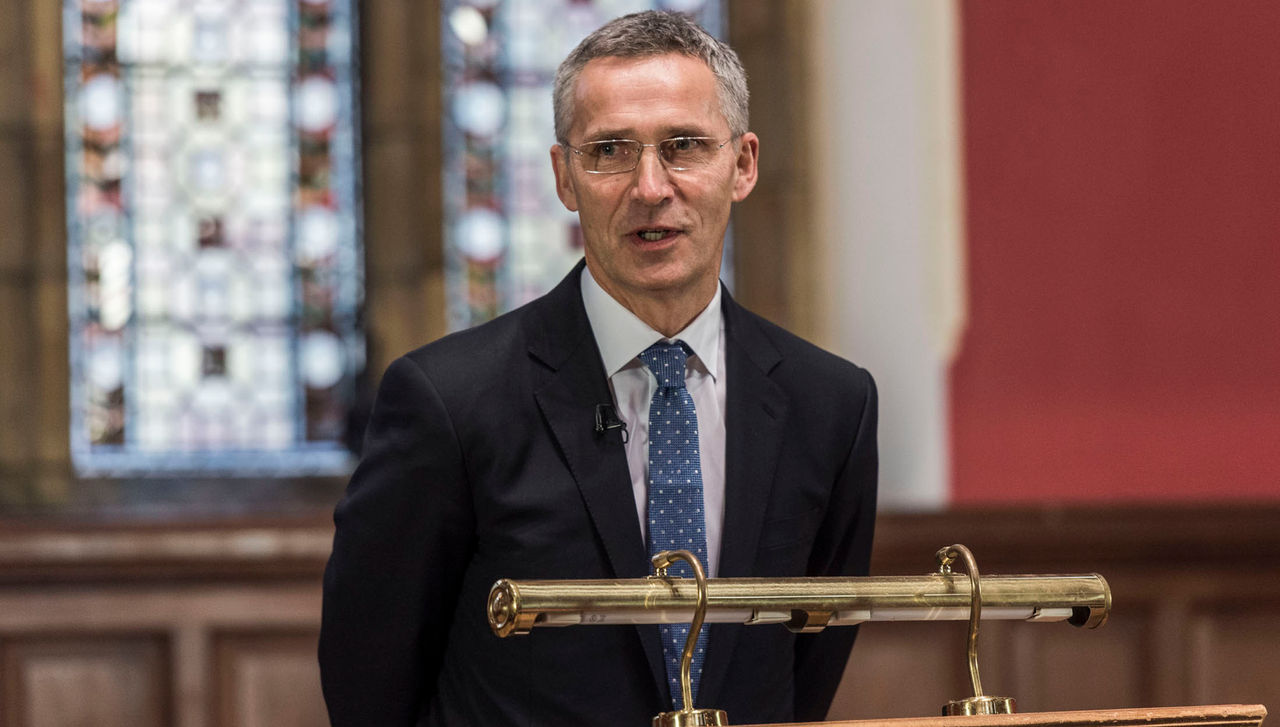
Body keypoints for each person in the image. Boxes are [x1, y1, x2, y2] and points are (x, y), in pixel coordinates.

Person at [319, 10, 877, 726]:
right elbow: (370, 686)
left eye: (684, 146)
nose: (650, 187)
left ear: (742, 165)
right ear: (564, 176)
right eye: (610, 150)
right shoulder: (449, 402)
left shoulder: (831, 405)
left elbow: (808, 662)